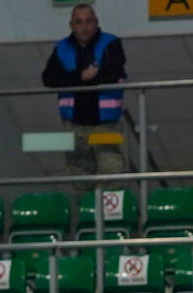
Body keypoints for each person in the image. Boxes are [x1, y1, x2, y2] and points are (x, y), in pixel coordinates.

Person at [40, 4, 128, 188]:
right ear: (71, 25)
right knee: (80, 180)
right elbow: (48, 78)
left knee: (113, 177)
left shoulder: (111, 44)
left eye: (89, 21)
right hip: (75, 126)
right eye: (79, 22)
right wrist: (81, 76)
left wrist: (75, 79)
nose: (84, 27)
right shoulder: (62, 48)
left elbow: (113, 73)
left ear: (96, 22)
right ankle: (86, 209)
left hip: (106, 126)